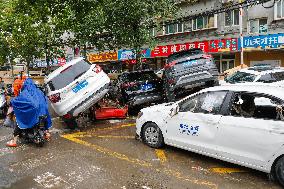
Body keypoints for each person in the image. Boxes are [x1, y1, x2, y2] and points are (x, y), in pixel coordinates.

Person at [6, 78, 52, 147]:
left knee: (19, 121)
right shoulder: (39, 91)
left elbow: (19, 101)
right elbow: (45, 100)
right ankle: (47, 133)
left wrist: (12, 101)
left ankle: (14, 141)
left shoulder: (26, 92)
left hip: (33, 114)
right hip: (43, 112)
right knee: (45, 118)